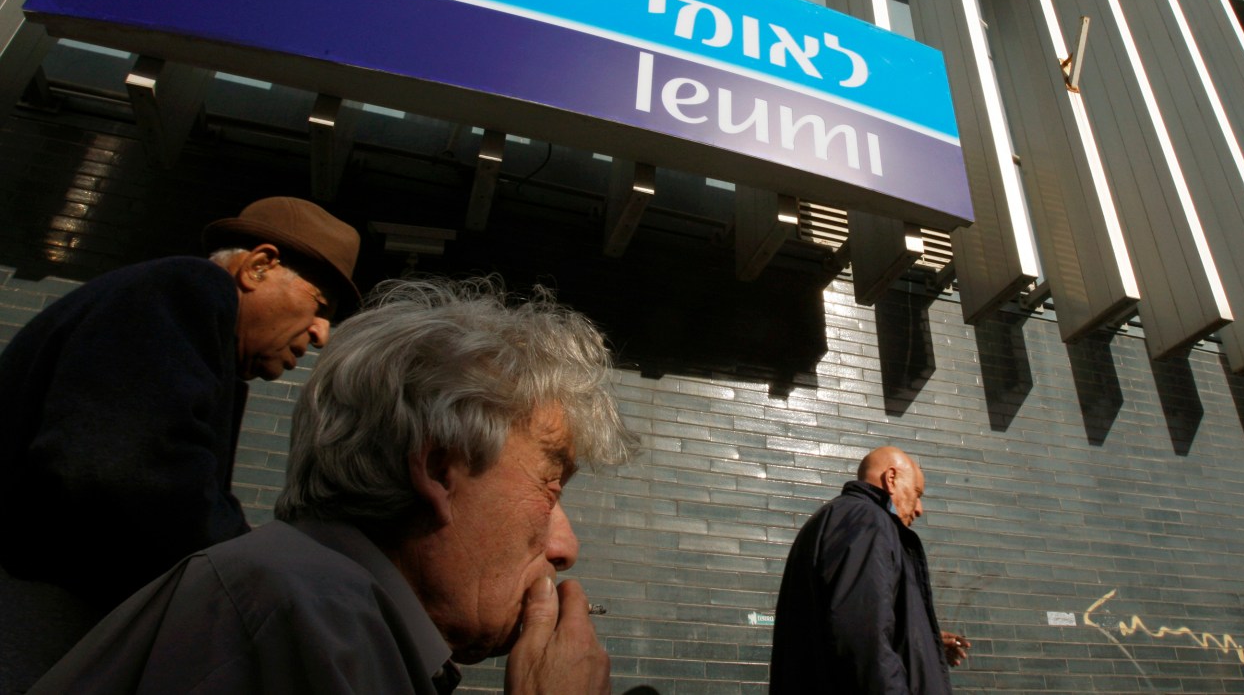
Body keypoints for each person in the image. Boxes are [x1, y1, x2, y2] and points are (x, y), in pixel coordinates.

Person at [29, 277, 636, 695]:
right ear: (439, 468)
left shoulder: (333, 615)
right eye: (552, 487)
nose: (564, 547)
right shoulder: (306, 621)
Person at [0, 196, 361, 691]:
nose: (321, 334)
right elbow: (125, 463)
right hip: (36, 616)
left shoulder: (196, 333)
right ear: (258, 267)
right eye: (321, 306)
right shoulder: (189, 287)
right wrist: (259, 568)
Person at [770, 446, 971, 695]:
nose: (919, 508)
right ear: (891, 479)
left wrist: (924, 641)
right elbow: (862, 638)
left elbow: (858, 620)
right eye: (917, 493)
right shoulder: (868, 520)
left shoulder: (837, 521)